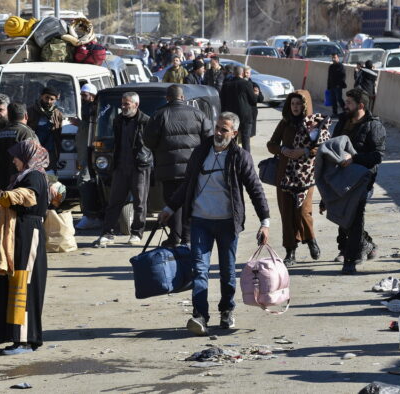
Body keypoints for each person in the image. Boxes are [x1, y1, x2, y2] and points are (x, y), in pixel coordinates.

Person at [158, 112, 270, 336]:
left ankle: (227, 311)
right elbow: (187, 184)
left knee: (227, 272)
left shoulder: (240, 157)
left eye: (224, 130)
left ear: (234, 133)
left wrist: (264, 221)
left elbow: (255, 189)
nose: (218, 133)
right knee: (199, 269)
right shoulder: (201, 152)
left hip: (228, 223)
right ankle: (200, 316)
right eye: (217, 128)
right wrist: (170, 208)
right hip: (200, 222)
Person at [0, 140, 49, 355]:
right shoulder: (22, 176)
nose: (13, 160)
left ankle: (26, 340)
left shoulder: (35, 176)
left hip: (28, 233)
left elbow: (27, 197)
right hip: (18, 233)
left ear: (28, 156)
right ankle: (15, 338)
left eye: (17, 156)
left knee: (24, 284)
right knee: (15, 283)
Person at [144, 85, 213, 247]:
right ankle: (188, 238)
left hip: (169, 170)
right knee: (190, 201)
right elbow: (209, 140)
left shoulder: (159, 115)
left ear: (167, 98)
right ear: (183, 97)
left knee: (172, 202)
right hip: (193, 169)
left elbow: (148, 141)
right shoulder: (198, 114)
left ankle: (175, 237)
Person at [330, 88, 386, 274]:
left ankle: (350, 259)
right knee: (342, 215)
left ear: (360, 106)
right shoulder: (343, 122)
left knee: (354, 217)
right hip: (340, 178)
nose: (345, 106)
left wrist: (354, 159)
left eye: (349, 103)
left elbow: (377, 156)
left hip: (362, 179)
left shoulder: (373, 126)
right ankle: (366, 245)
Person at [267, 91, 326, 266]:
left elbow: (322, 147)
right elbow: (271, 144)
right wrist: (282, 150)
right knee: (286, 214)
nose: (295, 107)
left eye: (299, 104)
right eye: (292, 104)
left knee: (303, 211)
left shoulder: (313, 125)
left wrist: (305, 151)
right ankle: (290, 251)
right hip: (284, 176)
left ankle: (311, 240)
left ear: (305, 105)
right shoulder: (285, 123)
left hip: (306, 176)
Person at [95, 92, 152, 246]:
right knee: (114, 201)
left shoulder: (145, 121)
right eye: (122, 103)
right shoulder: (118, 120)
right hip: (120, 166)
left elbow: (152, 144)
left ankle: (136, 233)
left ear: (136, 104)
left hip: (139, 166)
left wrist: (146, 158)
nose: (123, 107)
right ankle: (107, 233)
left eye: (127, 104)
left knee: (140, 201)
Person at [73, 84, 103, 230]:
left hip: (95, 153)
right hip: (85, 153)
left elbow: (94, 128)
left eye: (85, 95)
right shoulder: (87, 109)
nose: (82, 98)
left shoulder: (97, 110)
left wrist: (81, 124)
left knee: (84, 181)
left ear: (92, 95)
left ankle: (91, 216)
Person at [0, 103, 39, 190]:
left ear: (8, 117)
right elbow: (36, 162)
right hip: (19, 187)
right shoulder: (27, 133)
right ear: (26, 116)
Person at [220, 65, 258, 152]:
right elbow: (253, 100)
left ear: (233, 73)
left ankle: (231, 159)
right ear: (243, 73)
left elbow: (222, 101)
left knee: (231, 140)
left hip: (231, 117)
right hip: (245, 117)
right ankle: (246, 161)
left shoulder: (226, 85)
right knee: (245, 141)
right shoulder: (247, 84)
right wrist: (256, 94)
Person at [27, 87, 63, 171]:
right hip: (33, 151)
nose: (49, 101)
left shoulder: (57, 114)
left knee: (50, 177)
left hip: (50, 152)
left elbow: (58, 134)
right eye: (47, 97)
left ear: (55, 100)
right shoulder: (30, 111)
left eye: (52, 99)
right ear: (41, 96)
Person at [244, 66, 264, 137]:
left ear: (250, 74)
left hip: (252, 111)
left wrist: (257, 94)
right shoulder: (238, 84)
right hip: (242, 112)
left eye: (247, 73)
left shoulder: (254, 85)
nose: (246, 74)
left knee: (249, 134)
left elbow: (261, 99)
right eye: (244, 72)